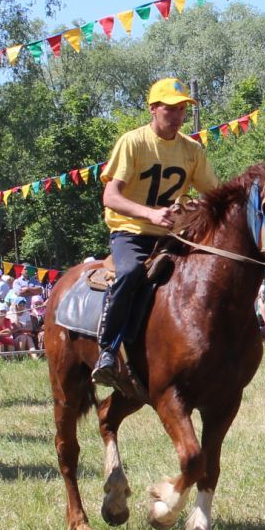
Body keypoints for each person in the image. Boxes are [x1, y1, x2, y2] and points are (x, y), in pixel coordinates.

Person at [93, 76, 219, 394]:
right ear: (153, 109)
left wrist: (195, 212)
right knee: (131, 272)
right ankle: (107, 350)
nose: (177, 116)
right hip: (131, 232)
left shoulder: (192, 150)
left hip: (173, 236)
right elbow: (110, 197)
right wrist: (150, 214)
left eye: (182, 110)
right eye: (171, 109)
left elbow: (214, 195)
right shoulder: (133, 142)